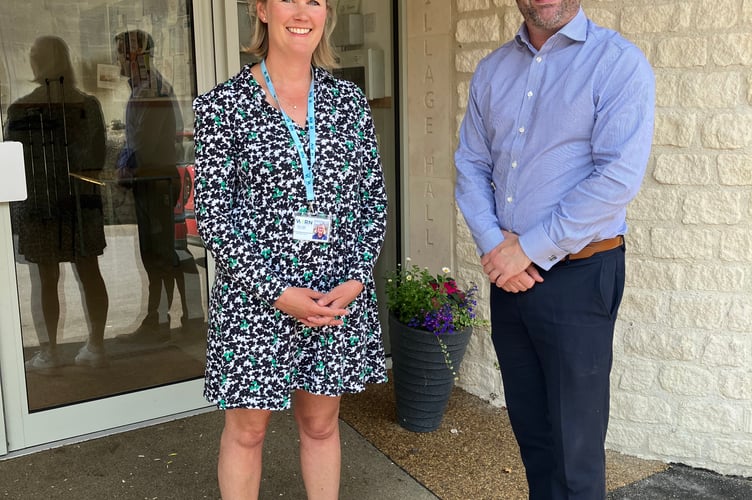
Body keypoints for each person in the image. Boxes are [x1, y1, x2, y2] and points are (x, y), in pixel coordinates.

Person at [454, 2, 655, 499]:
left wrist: (529, 249)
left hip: (580, 275)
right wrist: (497, 247)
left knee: (576, 449)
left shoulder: (617, 62)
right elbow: (471, 165)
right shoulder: (493, 70)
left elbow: (616, 177)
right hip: (511, 278)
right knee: (534, 436)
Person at [192, 1, 388, 498]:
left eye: (316, 1)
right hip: (256, 301)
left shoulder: (348, 103)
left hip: (332, 299)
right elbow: (216, 217)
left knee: (322, 426)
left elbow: (372, 201)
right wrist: (276, 291)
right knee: (248, 431)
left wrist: (358, 278)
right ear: (261, 9)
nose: (303, 12)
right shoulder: (222, 107)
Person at [5, 35, 110, 370]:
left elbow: (13, 163)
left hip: (57, 204)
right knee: (73, 275)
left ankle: (62, 350)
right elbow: (94, 157)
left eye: (37, 56)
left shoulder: (26, 107)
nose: (34, 61)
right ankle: (81, 347)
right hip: (64, 204)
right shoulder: (83, 105)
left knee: (60, 277)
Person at [113, 29, 188, 343]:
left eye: (121, 53)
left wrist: (122, 168)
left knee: (161, 254)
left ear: (135, 55)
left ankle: (173, 321)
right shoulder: (147, 88)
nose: (117, 59)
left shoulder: (151, 90)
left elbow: (141, 142)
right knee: (156, 253)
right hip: (152, 178)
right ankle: (160, 319)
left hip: (155, 179)